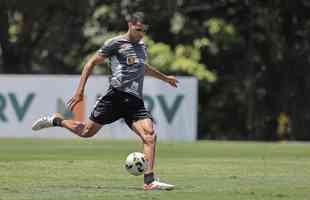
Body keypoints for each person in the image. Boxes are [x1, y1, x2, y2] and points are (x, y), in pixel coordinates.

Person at [32, 12, 178, 191]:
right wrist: (80, 91)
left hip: (135, 101)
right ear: (130, 24)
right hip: (115, 97)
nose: (141, 34)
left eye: (144, 31)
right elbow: (91, 63)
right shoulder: (115, 44)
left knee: (150, 136)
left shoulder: (142, 47)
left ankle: (149, 181)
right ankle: (57, 120)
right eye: (138, 29)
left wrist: (165, 78)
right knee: (86, 131)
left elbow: (143, 68)